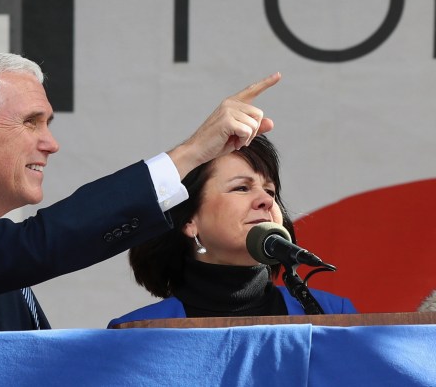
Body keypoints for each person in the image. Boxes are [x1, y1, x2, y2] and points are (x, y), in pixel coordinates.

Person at [0, 49, 281, 334]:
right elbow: (36, 246)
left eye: (49, 124)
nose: (51, 143)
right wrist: (190, 155)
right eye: (31, 122)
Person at [108, 135, 356, 328]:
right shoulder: (137, 332)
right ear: (189, 221)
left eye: (270, 191)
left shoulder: (332, 313)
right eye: (241, 188)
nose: (266, 201)